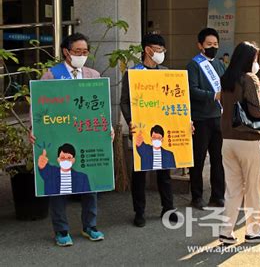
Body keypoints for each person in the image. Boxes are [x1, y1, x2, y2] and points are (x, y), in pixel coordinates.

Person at [29, 32, 106, 246]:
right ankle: (61, 230)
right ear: (66, 51)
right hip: (59, 138)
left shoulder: (93, 74)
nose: (82, 55)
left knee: (89, 183)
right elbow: (38, 107)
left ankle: (90, 226)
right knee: (58, 187)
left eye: (85, 52)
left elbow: (101, 107)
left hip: (87, 137)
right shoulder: (52, 75)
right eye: (77, 52)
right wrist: (33, 129)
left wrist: (107, 128)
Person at [218, 41, 260, 244]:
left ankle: (226, 232)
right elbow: (255, 108)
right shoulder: (248, 78)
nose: (257, 62)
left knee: (233, 188)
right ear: (248, 59)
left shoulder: (227, 78)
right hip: (247, 139)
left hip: (227, 139)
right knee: (254, 187)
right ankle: (254, 231)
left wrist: (259, 80)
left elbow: (240, 102)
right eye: (255, 58)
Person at [120, 33, 178, 227]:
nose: (161, 54)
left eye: (163, 50)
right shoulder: (133, 73)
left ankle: (168, 209)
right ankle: (139, 212)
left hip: (162, 130)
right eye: (158, 50)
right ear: (148, 50)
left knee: (165, 173)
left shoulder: (166, 72)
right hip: (141, 131)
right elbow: (125, 102)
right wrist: (130, 121)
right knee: (140, 173)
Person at [186, 28, 226, 209]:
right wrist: (213, 95)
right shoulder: (194, 65)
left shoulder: (219, 64)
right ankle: (196, 197)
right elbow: (192, 90)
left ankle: (218, 196)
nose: (213, 47)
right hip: (201, 118)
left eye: (215, 44)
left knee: (218, 158)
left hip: (218, 117)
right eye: (209, 44)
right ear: (200, 45)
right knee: (198, 159)